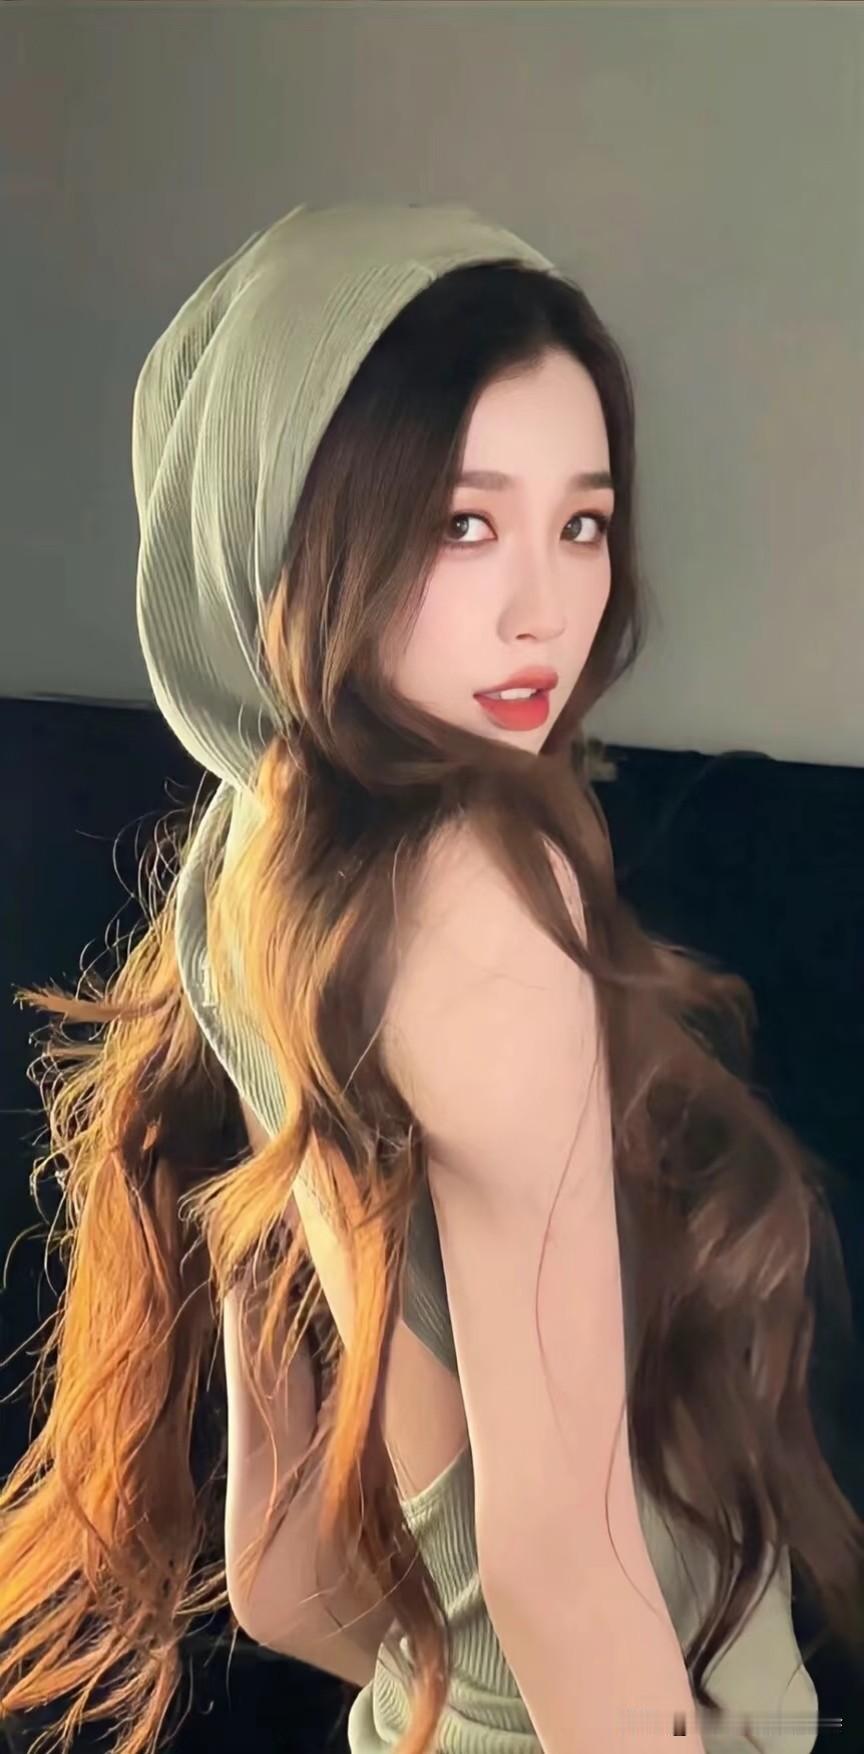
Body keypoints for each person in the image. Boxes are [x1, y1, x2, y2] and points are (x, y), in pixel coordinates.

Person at [4, 202, 861, 1754]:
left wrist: (455, 1701)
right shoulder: (478, 889)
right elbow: (563, 1566)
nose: (547, 606)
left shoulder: (245, 871)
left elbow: (280, 1576)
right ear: (290, 532)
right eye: (464, 524)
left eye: (581, 524)